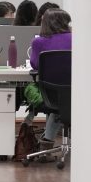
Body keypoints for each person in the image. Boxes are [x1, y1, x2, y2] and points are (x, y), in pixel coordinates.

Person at [22, 8, 72, 145]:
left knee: (55, 97)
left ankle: (46, 143)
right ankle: (49, 141)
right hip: (74, 92)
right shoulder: (77, 39)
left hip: (49, 95)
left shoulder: (39, 42)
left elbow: (35, 65)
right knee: (64, 96)